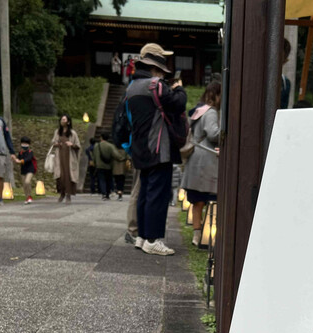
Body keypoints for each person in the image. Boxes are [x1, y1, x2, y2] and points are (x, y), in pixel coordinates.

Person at [126, 42, 187, 256]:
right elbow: (178, 103)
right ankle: (153, 239)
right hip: (159, 147)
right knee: (158, 195)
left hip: (140, 148)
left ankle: (143, 236)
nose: (162, 74)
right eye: (160, 69)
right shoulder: (156, 85)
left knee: (145, 193)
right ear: (154, 67)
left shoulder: (132, 88)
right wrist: (179, 88)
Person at [181, 80, 221, 246]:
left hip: (195, 159)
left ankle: (197, 235)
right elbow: (213, 134)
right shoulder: (211, 112)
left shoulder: (199, 110)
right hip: (207, 160)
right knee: (210, 199)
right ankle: (208, 238)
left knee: (197, 201)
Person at [51, 114, 80, 204]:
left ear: (68, 122)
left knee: (69, 176)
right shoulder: (57, 132)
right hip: (60, 157)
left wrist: (72, 145)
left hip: (69, 157)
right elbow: (53, 142)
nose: (62, 121)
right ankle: (62, 193)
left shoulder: (72, 133)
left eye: (64, 119)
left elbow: (78, 145)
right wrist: (57, 144)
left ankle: (68, 195)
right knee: (60, 176)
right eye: (61, 119)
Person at [93, 131, 125, 200]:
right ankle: (107, 193)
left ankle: (103, 194)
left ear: (101, 137)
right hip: (108, 166)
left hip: (99, 165)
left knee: (101, 180)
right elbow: (116, 155)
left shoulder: (96, 146)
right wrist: (122, 158)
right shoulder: (110, 146)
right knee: (108, 179)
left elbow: (94, 156)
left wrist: (95, 163)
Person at [16, 136, 36, 204]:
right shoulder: (20, 153)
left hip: (30, 169)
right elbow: (18, 159)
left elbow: (28, 159)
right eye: (23, 143)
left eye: (26, 144)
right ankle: (27, 197)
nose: (25, 145)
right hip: (23, 170)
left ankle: (30, 196)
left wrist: (21, 161)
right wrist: (15, 159)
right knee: (24, 185)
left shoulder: (30, 152)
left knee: (27, 182)